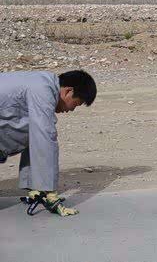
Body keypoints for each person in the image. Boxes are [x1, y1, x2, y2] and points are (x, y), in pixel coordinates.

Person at [0, 70, 97, 216]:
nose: (72, 109)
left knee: (34, 128)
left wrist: (37, 187)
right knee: (44, 132)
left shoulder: (42, 83)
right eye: (76, 104)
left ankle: (36, 187)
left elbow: (34, 132)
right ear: (68, 91)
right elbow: (45, 137)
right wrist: (51, 193)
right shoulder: (43, 90)